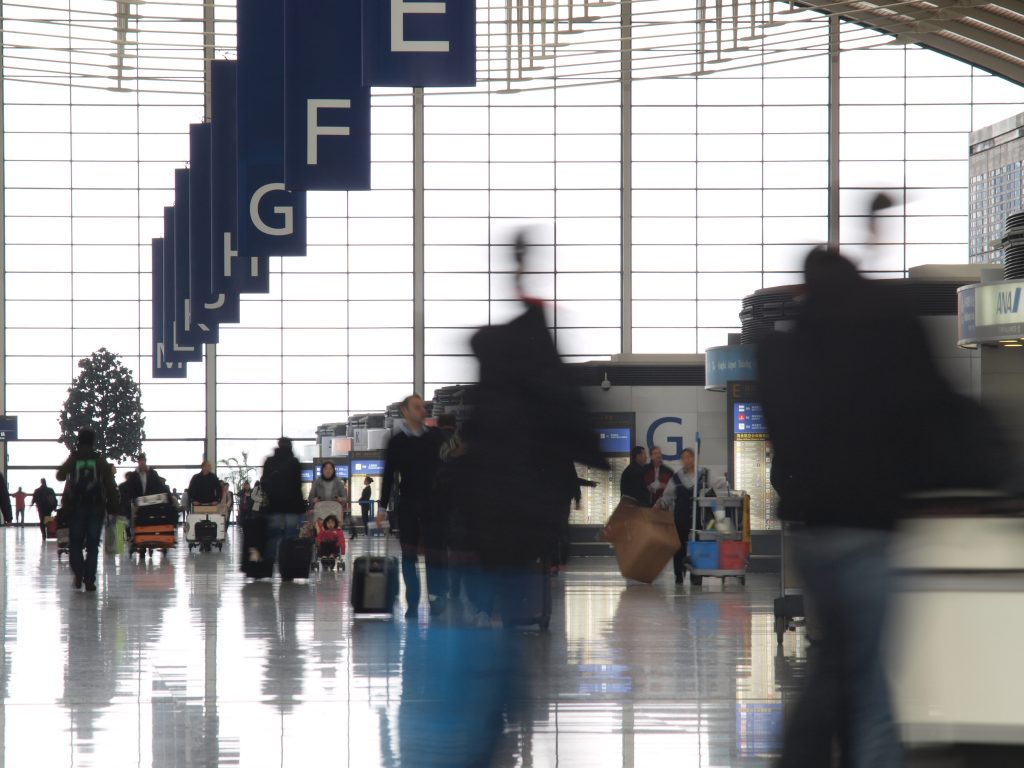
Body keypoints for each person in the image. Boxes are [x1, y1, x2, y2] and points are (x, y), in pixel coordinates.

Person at [758, 243, 982, 768]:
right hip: (869, 528)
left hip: (812, 532)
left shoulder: (788, 352)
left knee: (838, 659)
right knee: (868, 671)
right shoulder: (884, 341)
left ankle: (803, 755)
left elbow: (783, 440)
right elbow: (933, 411)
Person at [380, 393, 446, 617]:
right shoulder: (397, 442)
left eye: (423, 407)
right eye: (417, 407)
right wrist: (382, 508)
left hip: (433, 503)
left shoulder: (435, 437)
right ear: (405, 411)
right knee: (409, 553)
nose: (422, 411)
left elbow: (446, 467)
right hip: (408, 503)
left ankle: (435, 596)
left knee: (434, 551)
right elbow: (388, 476)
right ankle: (413, 599)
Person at [56, 428, 119, 592]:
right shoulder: (99, 460)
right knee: (92, 545)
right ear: (93, 441)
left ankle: (78, 572)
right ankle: (89, 580)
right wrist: (113, 508)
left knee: (75, 543)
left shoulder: (74, 459)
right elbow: (110, 486)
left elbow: (60, 475)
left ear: (79, 440)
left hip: (76, 508)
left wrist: (71, 463)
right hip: (96, 508)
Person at [657, 448, 704, 584]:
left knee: (697, 547)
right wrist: (660, 504)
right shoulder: (676, 478)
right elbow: (668, 496)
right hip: (680, 518)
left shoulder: (704, 475)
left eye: (689, 457)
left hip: (698, 520)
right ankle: (679, 574)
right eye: (683, 458)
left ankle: (697, 575)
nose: (686, 460)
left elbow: (719, 485)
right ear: (681, 460)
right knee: (679, 548)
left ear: (694, 458)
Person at [260, 438, 306, 574]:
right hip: (292, 507)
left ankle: (268, 566)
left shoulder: (270, 461)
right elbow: (298, 485)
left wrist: (272, 493)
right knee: (290, 537)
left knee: (273, 536)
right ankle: (287, 569)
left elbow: (264, 482)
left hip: (274, 506)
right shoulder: (294, 462)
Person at [31, 478, 58, 542]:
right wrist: (54, 507)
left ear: (41, 482)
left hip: (41, 508)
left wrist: (32, 504)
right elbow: (54, 499)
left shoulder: (37, 490)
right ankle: (48, 532)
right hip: (49, 508)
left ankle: (43, 534)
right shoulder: (50, 490)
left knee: (42, 521)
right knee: (47, 519)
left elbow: (34, 499)